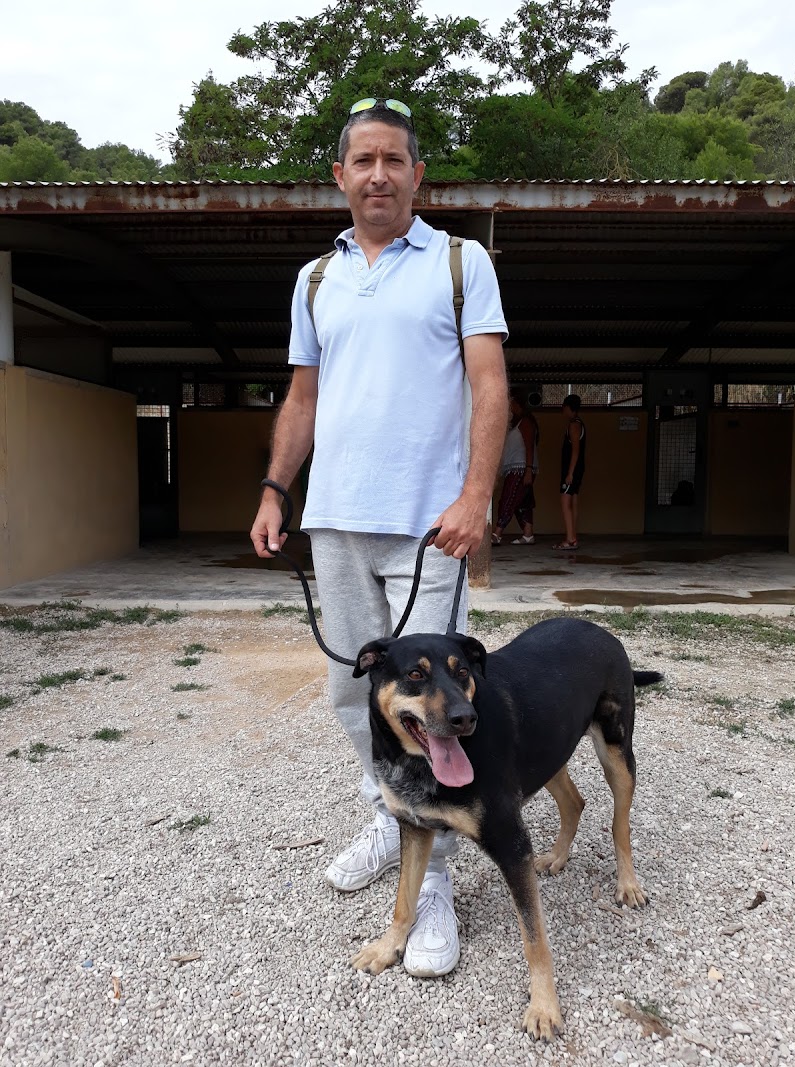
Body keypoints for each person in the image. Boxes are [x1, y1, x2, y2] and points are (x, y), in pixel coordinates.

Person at [250, 97, 508, 978]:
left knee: (437, 703)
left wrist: (477, 496)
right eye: (363, 160)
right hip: (335, 521)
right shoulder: (315, 279)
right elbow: (303, 397)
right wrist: (276, 488)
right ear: (340, 175)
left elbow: (490, 384)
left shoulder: (460, 264)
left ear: (417, 174)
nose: (379, 175)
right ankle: (390, 814)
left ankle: (430, 881)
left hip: (430, 527)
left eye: (394, 160)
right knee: (353, 692)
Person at [491, 389, 539, 545]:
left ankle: (497, 534)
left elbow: (529, 447)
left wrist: (528, 470)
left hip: (521, 469)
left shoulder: (526, 422)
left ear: (516, 404)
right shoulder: (518, 422)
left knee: (509, 498)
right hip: (517, 468)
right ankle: (528, 534)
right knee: (523, 501)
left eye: (510, 403)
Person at [553, 393, 586, 551]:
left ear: (568, 407)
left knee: (565, 503)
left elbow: (575, 451)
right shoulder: (578, 424)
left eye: (564, 407)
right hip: (577, 469)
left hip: (572, 470)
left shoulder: (574, 425)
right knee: (573, 502)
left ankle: (570, 539)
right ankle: (573, 537)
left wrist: (570, 473)